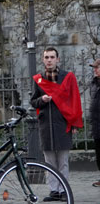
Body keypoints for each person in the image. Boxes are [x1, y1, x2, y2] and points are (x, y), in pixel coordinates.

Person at [30, 47, 83, 202]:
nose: (49, 60)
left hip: (63, 124)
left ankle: (64, 189)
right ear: (43, 59)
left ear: (58, 59)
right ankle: (54, 191)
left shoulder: (67, 77)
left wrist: (74, 123)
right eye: (46, 57)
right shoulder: (38, 79)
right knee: (49, 162)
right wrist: (42, 100)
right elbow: (33, 102)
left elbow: (74, 100)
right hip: (46, 125)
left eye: (52, 57)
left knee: (63, 161)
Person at [89, 59, 100, 188]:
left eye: (97, 67)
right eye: (94, 68)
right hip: (96, 124)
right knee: (99, 154)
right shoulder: (93, 83)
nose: (95, 69)